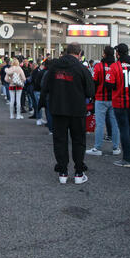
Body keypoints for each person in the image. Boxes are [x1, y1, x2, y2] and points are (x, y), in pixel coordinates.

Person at [43, 43, 95, 184]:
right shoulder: (82, 68)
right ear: (79, 54)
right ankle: (79, 172)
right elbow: (91, 91)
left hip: (58, 109)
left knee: (60, 140)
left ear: (67, 52)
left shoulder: (54, 67)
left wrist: (43, 104)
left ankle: (63, 172)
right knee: (78, 140)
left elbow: (45, 86)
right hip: (77, 110)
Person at [106, 43, 130, 167]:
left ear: (118, 53)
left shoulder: (115, 66)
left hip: (120, 102)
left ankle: (127, 158)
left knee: (124, 129)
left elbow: (110, 85)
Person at [87, 46, 120, 156]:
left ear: (104, 54)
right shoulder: (116, 66)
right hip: (114, 99)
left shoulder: (99, 66)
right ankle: (116, 148)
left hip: (101, 98)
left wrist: (92, 95)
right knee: (115, 123)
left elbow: (94, 82)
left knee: (100, 124)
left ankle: (98, 148)